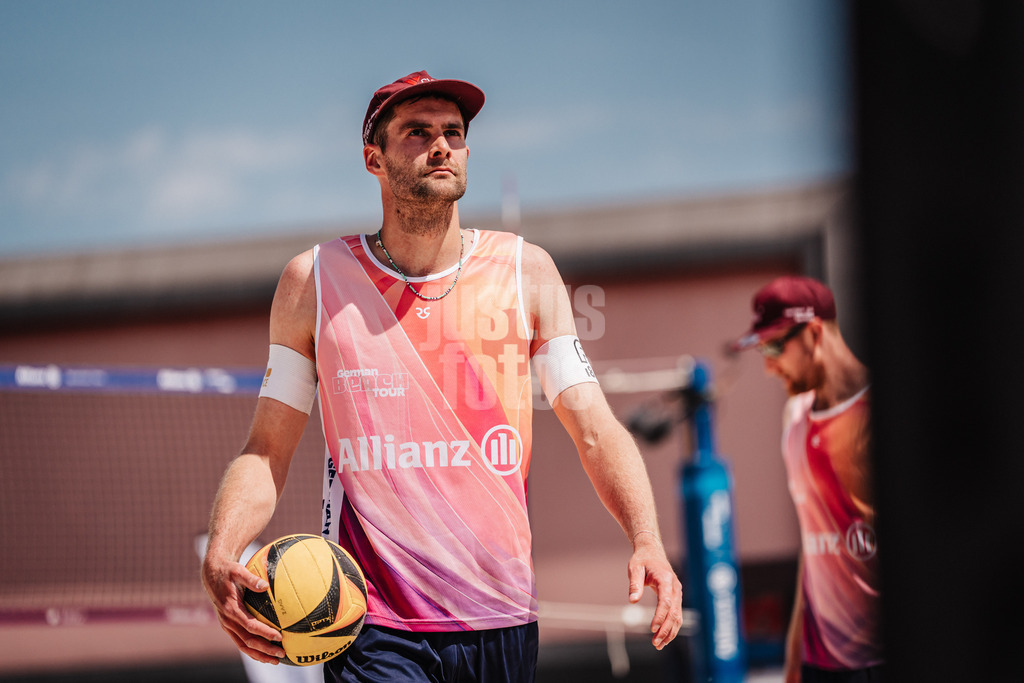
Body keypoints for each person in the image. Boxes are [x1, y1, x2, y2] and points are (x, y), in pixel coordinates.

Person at [201, 70, 683, 683]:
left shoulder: (526, 272)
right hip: (371, 623)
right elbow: (267, 449)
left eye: (453, 132)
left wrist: (646, 538)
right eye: (417, 132)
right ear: (373, 158)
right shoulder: (314, 281)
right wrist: (222, 550)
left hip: (500, 613)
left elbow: (595, 429)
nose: (441, 146)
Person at [732, 276, 882, 683]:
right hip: (820, 661)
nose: (768, 367)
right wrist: (794, 653)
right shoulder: (795, 417)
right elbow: (814, 543)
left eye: (774, 347)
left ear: (814, 332)